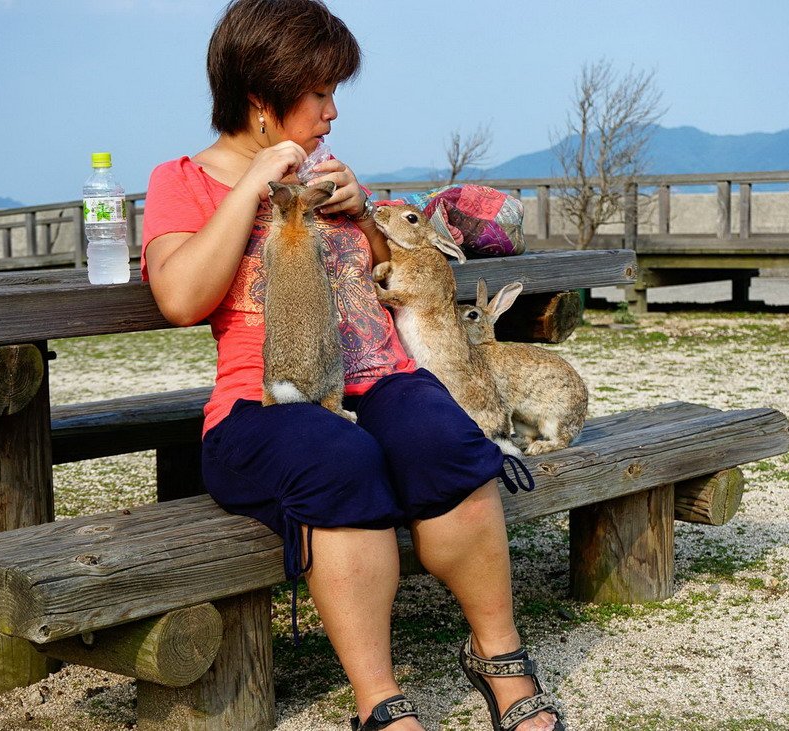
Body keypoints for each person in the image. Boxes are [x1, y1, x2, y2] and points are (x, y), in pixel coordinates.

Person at [140, 1, 564, 729]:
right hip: (266, 407)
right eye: (321, 92)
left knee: (446, 438)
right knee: (340, 457)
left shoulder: (326, 176)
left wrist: (363, 212)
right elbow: (180, 297)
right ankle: (380, 700)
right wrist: (253, 184)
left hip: (376, 377)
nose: (334, 111)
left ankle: (499, 658)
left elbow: (379, 273)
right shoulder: (183, 180)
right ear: (262, 100)